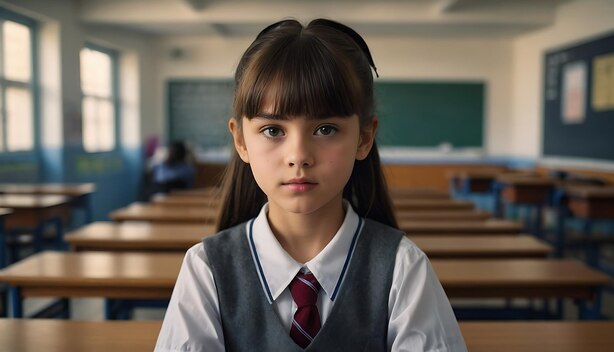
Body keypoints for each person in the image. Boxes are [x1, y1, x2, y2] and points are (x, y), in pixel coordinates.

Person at [155, 18, 466, 351]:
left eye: (326, 129)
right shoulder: (206, 269)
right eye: (273, 130)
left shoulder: (403, 268)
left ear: (364, 138)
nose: (299, 156)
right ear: (241, 140)